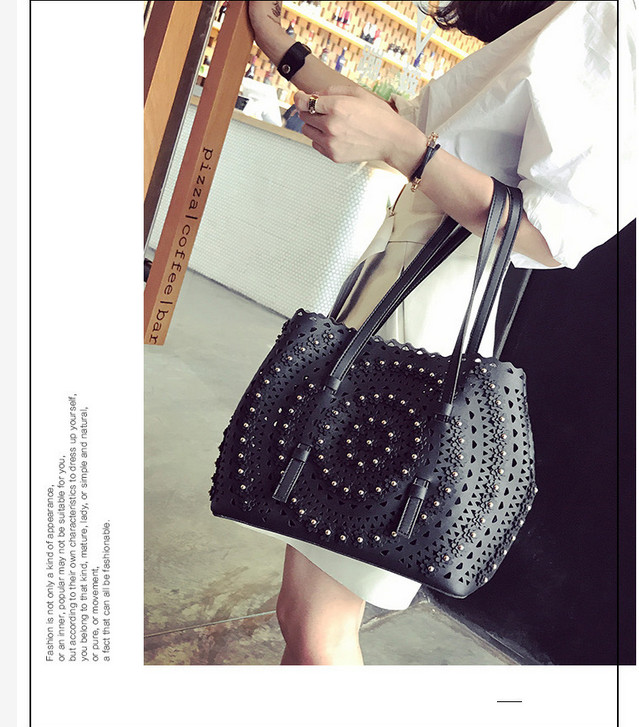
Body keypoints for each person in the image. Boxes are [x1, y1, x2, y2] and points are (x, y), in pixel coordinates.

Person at [242, 0, 628, 665]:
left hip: (421, 322)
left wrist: (401, 148)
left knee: (318, 623)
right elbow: (405, 122)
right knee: (304, 612)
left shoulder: (616, 20)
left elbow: (550, 233)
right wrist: (272, 36)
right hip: (397, 297)